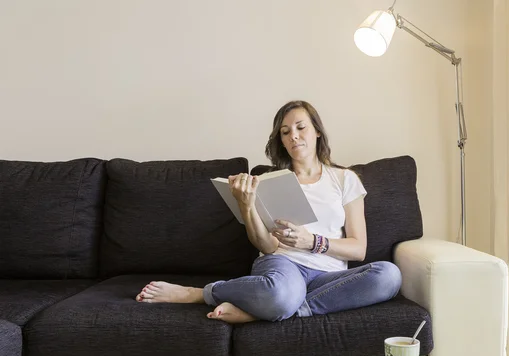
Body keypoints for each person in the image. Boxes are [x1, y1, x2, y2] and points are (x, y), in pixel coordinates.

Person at [135, 100, 402, 324]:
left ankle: (275, 310)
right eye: (285, 132)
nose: (293, 136)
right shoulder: (272, 182)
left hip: (329, 277)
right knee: (281, 292)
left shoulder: (345, 179)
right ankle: (200, 293)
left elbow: (358, 249)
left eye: (300, 127)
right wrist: (246, 205)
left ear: (317, 131)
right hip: (283, 266)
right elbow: (266, 245)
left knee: (388, 276)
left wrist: (312, 242)